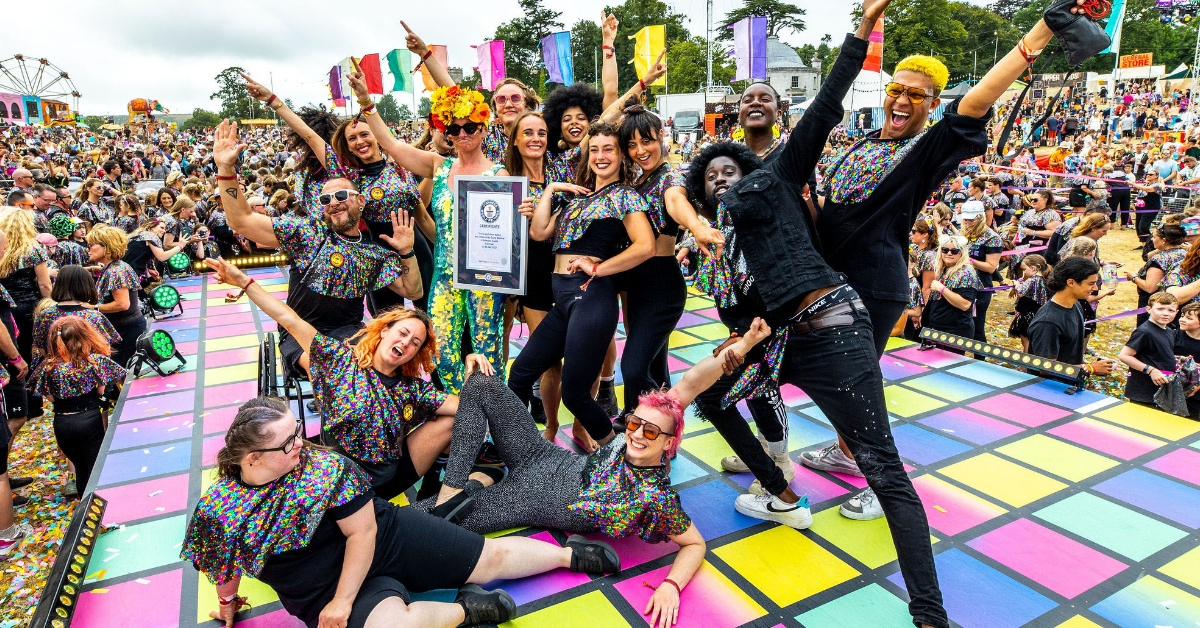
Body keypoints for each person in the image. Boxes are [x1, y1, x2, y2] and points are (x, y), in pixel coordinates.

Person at [687, 5, 950, 625]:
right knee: (712, 398)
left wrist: (861, 31)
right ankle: (780, 491)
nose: (723, 178)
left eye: (732, 169)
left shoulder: (778, 175)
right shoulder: (721, 251)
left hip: (832, 326)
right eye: (711, 176)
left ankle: (930, 615)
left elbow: (827, 102)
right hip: (781, 343)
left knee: (884, 469)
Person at [419, 322, 768, 627]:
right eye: (634, 424)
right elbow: (691, 381)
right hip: (538, 453)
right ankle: (456, 486)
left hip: (529, 499)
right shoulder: (635, 435)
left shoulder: (653, 496)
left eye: (650, 432)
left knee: (422, 524)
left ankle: (480, 482)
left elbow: (694, 544)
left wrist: (670, 586)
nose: (635, 435)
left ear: (668, 444)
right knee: (480, 381)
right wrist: (746, 343)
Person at [181, 397, 622, 628]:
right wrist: (226, 600)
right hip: (318, 589)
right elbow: (223, 559)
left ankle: (569, 555)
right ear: (250, 459)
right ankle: (468, 610)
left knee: (491, 561)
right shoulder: (217, 510)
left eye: (297, 432)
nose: (300, 444)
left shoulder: (325, 467)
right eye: (286, 443)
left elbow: (363, 535)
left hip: (383, 540)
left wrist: (344, 602)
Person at [816, 0, 1095, 358]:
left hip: (869, 285)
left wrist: (1041, 31)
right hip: (826, 276)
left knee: (849, 383)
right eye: (896, 90)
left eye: (916, 94)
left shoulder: (925, 148)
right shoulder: (861, 143)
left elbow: (976, 103)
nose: (902, 100)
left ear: (933, 105)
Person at [207, 257, 487, 501]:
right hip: (343, 484)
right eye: (402, 333)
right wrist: (244, 281)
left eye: (415, 342)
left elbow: (468, 408)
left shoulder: (410, 387)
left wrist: (470, 376)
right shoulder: (338, 360)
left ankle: (440, 488)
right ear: (384, 331)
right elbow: (288, 318)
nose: (406, 343)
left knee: (456, 420)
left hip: (393, 475)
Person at [214, 121, 422, 376]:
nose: (333, 203)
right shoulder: (305, 233)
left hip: (349, 334)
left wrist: (406, 252)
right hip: (299, 334)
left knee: (385, 363)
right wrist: (225, 169)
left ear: (360, 200)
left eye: (341, 196)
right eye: (326, 199)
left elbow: (413, 291)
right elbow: (241, 221)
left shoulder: (373, 254)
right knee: (337, 367)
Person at [341, 82, 506, 394]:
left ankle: (495, 424)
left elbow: (506, 237)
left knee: (486, 352)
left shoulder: (499, 176)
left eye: (470, 127)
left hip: (485, 277)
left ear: (483, 129)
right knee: (441, 354)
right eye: (454, 129)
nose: (462, 135)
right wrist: (366, 101)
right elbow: (389, 143)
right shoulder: (438, 167)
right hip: (445, 277)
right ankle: (463, 415)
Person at [510, 120, 655, 448]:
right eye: (595, 150)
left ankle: (616, 461)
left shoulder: (624, 197)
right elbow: (539, 232)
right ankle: (521, 450)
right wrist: (551, 190)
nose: (601, 156)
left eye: (609, 150)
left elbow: (644, 246)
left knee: (575, 394)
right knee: (519, 375)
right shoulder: (578, 197)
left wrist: (599, 267)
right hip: (563, 300)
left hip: (591, 298)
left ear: (621, 156)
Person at [617, 101, 723, 417]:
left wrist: (696, 225)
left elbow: (676, 202)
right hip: (636, 289)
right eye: (632, 145)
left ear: (662, 135)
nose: (640, 150)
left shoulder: (670, 177)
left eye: (647, 140)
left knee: (634, 368)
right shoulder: (636, 180)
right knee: (655, 369)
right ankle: (657, 439)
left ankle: (653, 423)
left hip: (662, 287)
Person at [31, 316, 126, 494]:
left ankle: (83, 508)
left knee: (81, 467)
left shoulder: (48, 367)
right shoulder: (93, 362)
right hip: (88, 420)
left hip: (62, 423)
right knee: (93, 469)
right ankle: (92, 511)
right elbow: (101, 391)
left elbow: (50, 398)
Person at [0, 208, 51, 429]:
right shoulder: (32, 249)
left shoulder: (3, 250)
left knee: (12, 354)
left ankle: (15, 403)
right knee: (33, 355)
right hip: (30, 307)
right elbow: (44, 284)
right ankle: (33, 404)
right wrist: (51, 308)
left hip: (6, 310)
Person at [1027, 256, 1116, 376]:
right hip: (1048, 391)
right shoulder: (1048, 322)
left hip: (1068, 387)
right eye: (1091, 283)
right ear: (1071, 282)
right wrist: (1090, 368)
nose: (1095, 288)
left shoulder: (1076, 306)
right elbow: (1046, 368)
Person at [32, 265, 120, 370]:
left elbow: (40, 347)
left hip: (56, 373)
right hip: (89, 374)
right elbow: (105, 349)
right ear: (87, 286)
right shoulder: (94, 316)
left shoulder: (45, 315)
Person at [85, 226, 145, 370]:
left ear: (106, 246)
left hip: (126, 330)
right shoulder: (115, 267)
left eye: (92, 245)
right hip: (125, 328)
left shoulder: (115, 271)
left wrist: (92, 307)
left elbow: (122, 304)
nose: (88, 249)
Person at [1118, 291, 1179, 407]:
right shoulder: (1144, 332)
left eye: (1171, 310)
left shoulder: (1170, 331)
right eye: (1160, 309)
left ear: (1176, 312)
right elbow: (1124, 355)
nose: (1165, 313)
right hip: (1143, 391)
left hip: (1159, 389)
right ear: (1148, 309)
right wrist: (1150, 370)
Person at [922, 234, 982, 338]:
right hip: (937, 328)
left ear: (961, 253)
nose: (949, 253)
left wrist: (941, 289)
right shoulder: (945, 269)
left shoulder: (966, 273)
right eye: (945, 250)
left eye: (954, 251)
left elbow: (965, 304)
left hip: (955, 331)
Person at [958, 201, 1002, 341]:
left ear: (980, 218)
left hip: (980, 286)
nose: (968, 222)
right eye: (965, 219)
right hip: (960, 283)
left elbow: (991, 267)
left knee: (977, 326)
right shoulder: (963, 232)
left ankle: (979, 359)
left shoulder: (992, 238)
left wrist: (968, 260)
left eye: (971, 219)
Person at [1128, 223, 1187, 325]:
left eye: (1154, 237)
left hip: (1156, 303)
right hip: (1174, 304)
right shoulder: (1184, 253)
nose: (1152, 240)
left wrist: (1133, 277)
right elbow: (1147, 256)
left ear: (1164, 240)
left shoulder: (1160, 259)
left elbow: (1150, 287)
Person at [1009, 254, 1050, 352]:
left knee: (1026, 339)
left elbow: (1020, 293)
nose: (1024, 272)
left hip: (1028, 313)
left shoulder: (1033, 280)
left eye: (1024, 269)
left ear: (1033, 268)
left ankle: (1026, 362)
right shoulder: (1042, 280)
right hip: (1037, 312)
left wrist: (1016, 284)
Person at [1173, 302, 1200, 417]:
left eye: (1189, 318)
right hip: (1172, 387)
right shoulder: (1174, 336)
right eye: (1182, 316)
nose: (1182, 319)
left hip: (1195, 392)